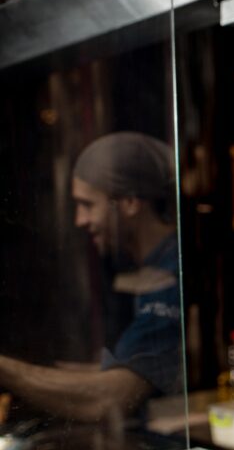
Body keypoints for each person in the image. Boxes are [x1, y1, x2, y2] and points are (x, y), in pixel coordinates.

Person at [0, 132, 181, 425]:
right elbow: (124, 368)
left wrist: (7, 371)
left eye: (87, 204)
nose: (79, 220)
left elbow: (111, 397)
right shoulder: (146, 268)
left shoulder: (169, 275)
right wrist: (31, 374)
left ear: (130, 203)